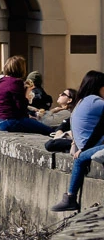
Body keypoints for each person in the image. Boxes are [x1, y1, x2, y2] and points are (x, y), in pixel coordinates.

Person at [50, 71, 104, 213]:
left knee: (79, 159)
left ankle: (70, 198)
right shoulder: (97, 102)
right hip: (93, 145)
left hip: (84, 144)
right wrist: (85, 148)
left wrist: (81, 147)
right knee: (80, 159)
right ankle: (70, 198)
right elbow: (99, 129)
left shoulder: (82, 101)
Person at [0, 56, 55, 134]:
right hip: (11, 121)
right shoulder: (16, 82)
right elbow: (21, 106)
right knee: (48, 130)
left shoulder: (2, 81)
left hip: (0, 120)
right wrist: (27, 92)